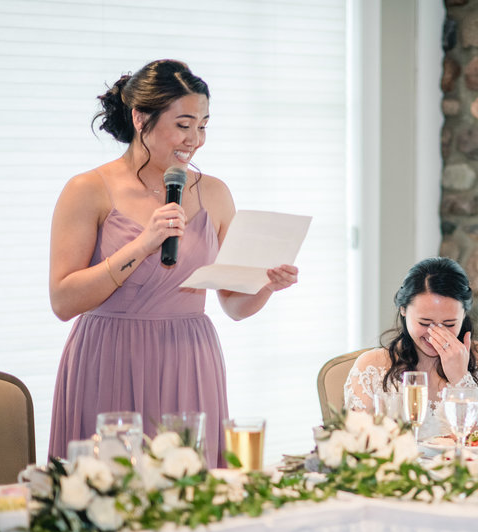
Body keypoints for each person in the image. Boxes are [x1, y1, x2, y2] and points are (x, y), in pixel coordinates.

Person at [48, 60, 298, 468]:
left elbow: (233, 305)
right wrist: (144, 243)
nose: (195, 140)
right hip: (109, 356)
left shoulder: (215, 193)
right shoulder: (87, 189)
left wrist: (266, 284)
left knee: (191, 497)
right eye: (184, 125)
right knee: (111, 497)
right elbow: (63, 301)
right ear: (140, 118)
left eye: (203, 126)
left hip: (190, 358)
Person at [344, 257, 478, 439]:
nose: (435, 333)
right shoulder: (371, 367)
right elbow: (355, 446)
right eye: (425, 322)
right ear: (403, 310)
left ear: (464, 314)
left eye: (449, 323)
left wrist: (461, 380)